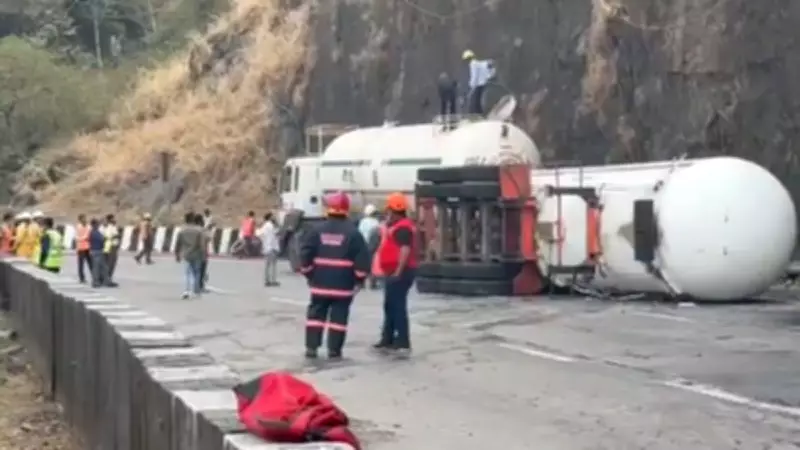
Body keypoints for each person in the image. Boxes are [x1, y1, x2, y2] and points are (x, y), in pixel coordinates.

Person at [299, 191, 370, 360]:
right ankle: (334, 350)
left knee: (316, 316)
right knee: (339, 319)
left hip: (320, 284)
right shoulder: (354, 233)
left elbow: (305, 254)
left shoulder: (316, 230)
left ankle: (311, 348)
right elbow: (362, 259)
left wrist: (309, 274)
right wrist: (359, 280)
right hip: (343, 286)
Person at [373, 192, 418, 358]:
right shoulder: (398, 226)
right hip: (393, 271)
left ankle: (402, 342)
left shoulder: (403, 228)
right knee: (390, 305)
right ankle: (388, 339)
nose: (387, 213)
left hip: (400, 273)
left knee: (397, 306)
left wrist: (398, 271)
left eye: (389, 210)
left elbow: (405, 251)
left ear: (393, 210)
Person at [175, 212, 205, 299]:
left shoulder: (182, 231)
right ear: (193, 219)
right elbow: (201, 244)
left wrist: (177, 254)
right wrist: (203, 255)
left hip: (186, 255)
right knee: (197, 273)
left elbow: (178, 244)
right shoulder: (198, 231)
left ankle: (187, 291)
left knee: (187, 273)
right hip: (197, 254)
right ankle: (196, 291)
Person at [462, 49, 495, 116]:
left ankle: (476, 114)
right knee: (478, 100)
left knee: (475, 101)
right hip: (483, 84)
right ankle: (479, 113)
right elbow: (489, 70)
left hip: (478, 85)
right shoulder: (478, 63)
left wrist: (472, 86)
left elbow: (474, 75)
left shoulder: (473, 64)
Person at [358, 204, 382, 290]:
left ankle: (362, 283)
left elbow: (359, 233)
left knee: (363, 264)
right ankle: (373, 283)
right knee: (373, 263)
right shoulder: (376, 222)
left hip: (363, 245)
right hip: (373, 245)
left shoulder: (363, 221)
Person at [259, 212, 280, 286]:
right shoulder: (271, 226)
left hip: (267, 247)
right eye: (273, 216)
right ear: (270, 217)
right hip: (272, 247)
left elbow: (259, 234)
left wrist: (264, 242)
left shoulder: (265, 226)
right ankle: (272, 281)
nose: (274, 217)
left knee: (267, 265)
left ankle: (267, 280)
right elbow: (276, 234)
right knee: (273, 265)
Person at [88, 219, 108, 287]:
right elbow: (102, 239)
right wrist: (104, 239)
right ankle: (95, 282)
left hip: (99, 251)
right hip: (96, 251)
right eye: (97, 224)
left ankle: (105, 280)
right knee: (96, 268)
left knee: (104, 267)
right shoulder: (94, 232)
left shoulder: (96, 231)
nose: (98, 225)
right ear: (94, 225)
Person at [102, 214, 120, 286]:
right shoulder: (109, 227)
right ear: (110, 220)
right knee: (110, 264)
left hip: (114, 247)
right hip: (110, 247)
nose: (115, 220)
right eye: (113, 219)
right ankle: (107, 279)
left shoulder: (113, 227)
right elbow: (107, 237)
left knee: (113, 264)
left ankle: (109, 278)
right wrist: (116, 236)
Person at [194, 213, 210, 292]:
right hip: (202, 252)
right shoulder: (203, 230)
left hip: (192, 252)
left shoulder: (192, 229)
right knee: (202, 270)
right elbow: (208, 238)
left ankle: (195, 285)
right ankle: (200, 286)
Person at [75, 214, 93, 283]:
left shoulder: (89, 227)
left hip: (88, 247)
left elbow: (90, 235)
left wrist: (85, 238)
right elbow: (76, 237)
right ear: (80, 220)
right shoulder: (78, 227)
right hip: (81, 248)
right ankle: (82, 278)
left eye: (85, 218)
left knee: (91, 263)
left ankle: (94, 276)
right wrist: (84, 238)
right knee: (81, 264)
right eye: (83, 218)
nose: (84, 220)